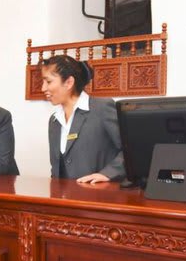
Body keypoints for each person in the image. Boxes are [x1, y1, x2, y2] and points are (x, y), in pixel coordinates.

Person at [41, 54, 125, 183]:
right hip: (65, 199)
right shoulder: (54, 120)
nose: (43, 88)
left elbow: (130, 151)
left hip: (100, 198)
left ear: (69, 82)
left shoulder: (101, 108)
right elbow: (57, 168)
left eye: (48, 81)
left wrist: (107, 174)